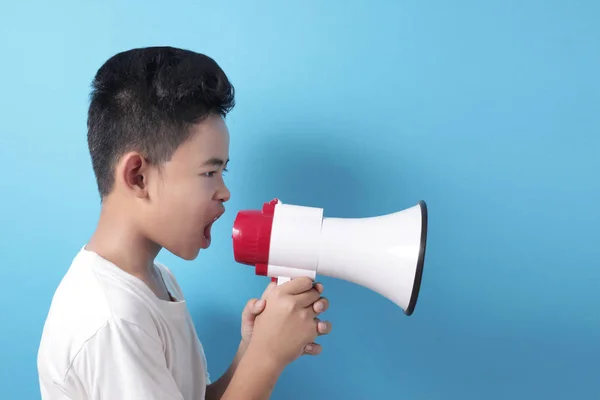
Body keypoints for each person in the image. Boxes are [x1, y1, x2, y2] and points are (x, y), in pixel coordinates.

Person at [37, 46, 332, 400]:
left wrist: (250, 351)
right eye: (209, 171)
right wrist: (266, 359)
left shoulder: (158, 280)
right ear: (138, 177)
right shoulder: (112, 320)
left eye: (224, 171)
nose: (224, 192)